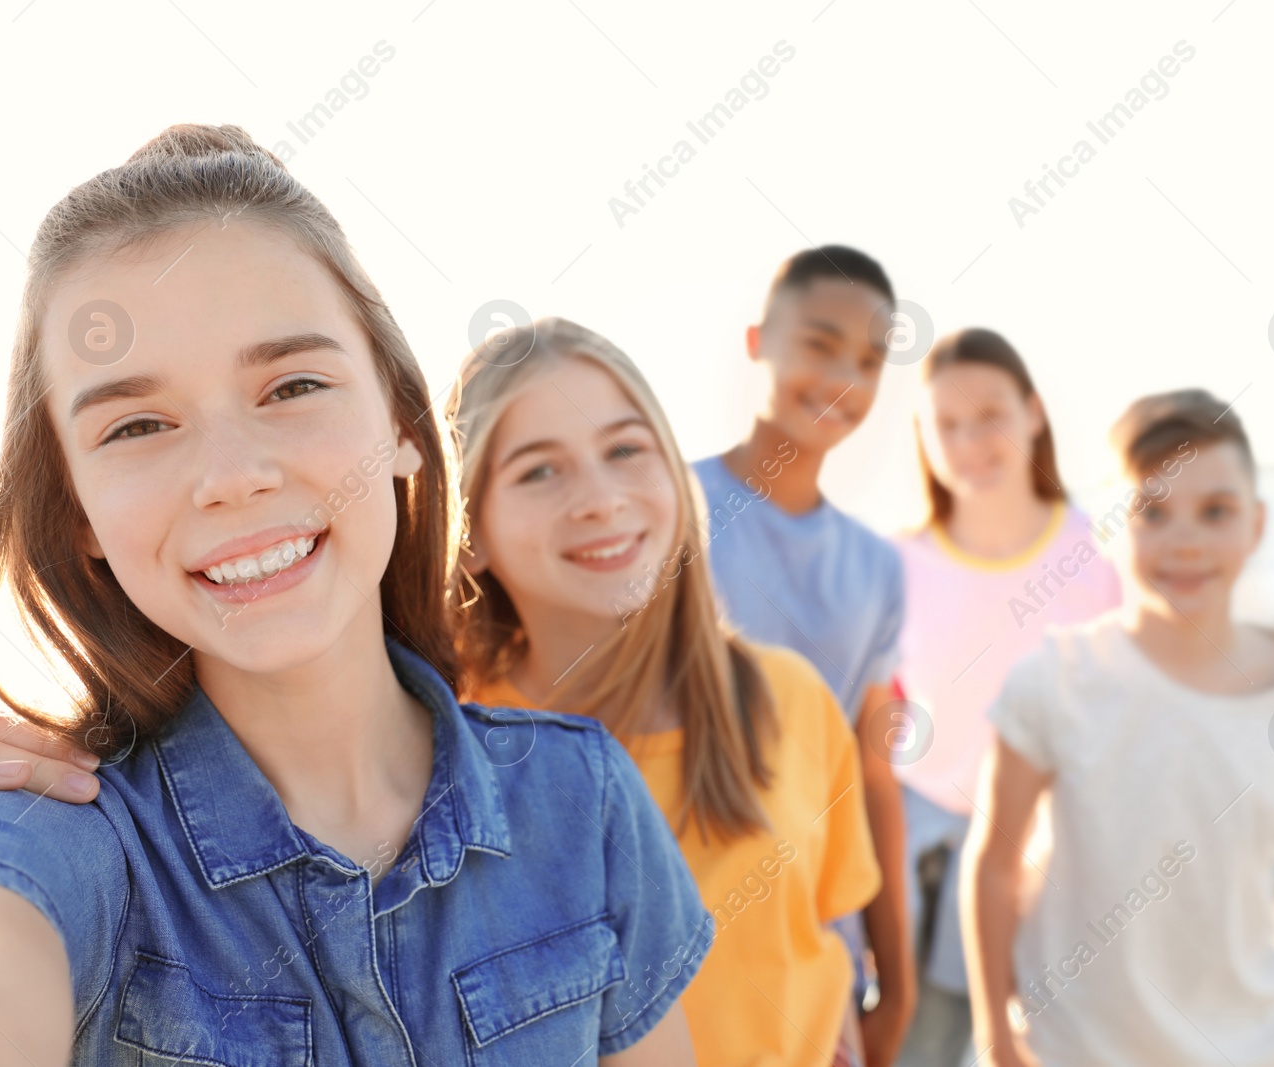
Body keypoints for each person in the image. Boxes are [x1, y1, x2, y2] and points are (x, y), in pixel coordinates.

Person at [0, 126, 706, 1066]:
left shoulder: (584, 800)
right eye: (137, 424)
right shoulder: (36, 837)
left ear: (403, 423)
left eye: (292, 385)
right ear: (76, 507)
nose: (233, 475)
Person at [449, 316, 882, 1066]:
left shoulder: (788, 696)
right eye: (539, 470)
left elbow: (828, 930)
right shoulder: (451, 745)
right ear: (472, 531)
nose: (601, 499)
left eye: (625, 450)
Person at [965, 390, 1274, 1066]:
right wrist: (995, 1035)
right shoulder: (1054, 680)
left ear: (1256, 524)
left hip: (1248, 1044)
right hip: (1073, 1045)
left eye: (1215, 511)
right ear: (1107, 528)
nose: (1185, 538)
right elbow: (993, 860)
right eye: (1152, 512)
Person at [692, 246, 915, 1067]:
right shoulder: (670, 507)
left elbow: (873, 770)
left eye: (869, 359)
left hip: (819, 958)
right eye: (820, 344)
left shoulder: (877, 568)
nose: (843, 378)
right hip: (682, 945)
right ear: (759, 340)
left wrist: (899, 975)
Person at [888, 329, 1120, 1065]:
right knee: (922, 1047)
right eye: (945, 423)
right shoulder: (894, 563)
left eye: (990, 414)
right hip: (930, 843)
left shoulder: (1102, 553)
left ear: (1034, 412)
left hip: (1062, 844)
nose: (970, 441)